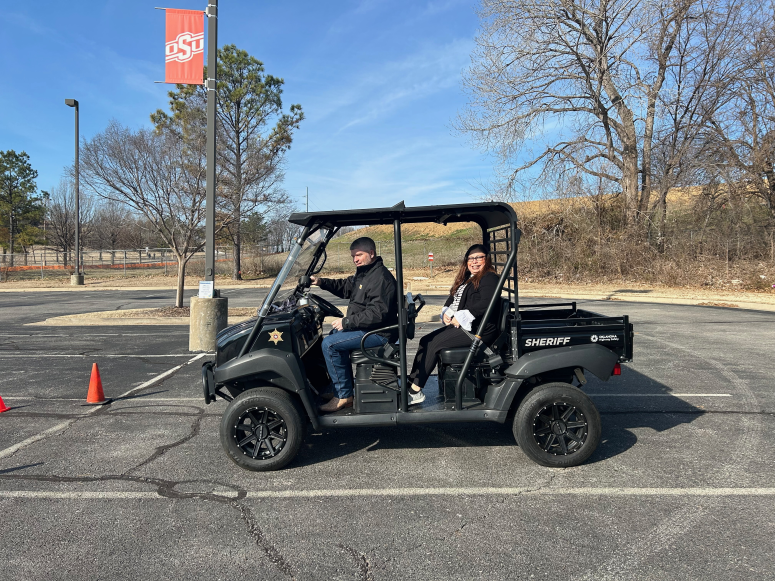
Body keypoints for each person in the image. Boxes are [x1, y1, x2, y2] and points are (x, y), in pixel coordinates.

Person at [311, 237, 398, 413]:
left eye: (359, 255)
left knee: (330, 345)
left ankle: (343, 396)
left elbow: (377, 314)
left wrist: (347, 322)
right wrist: (321, 282)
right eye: (353, 256)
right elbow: (345, 287)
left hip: (380, 333)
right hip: (370, 328)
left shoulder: (381, 278)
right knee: (333, 335)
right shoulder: (365, 273)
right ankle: (343, 389)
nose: (355, 259)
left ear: (371, 253)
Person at [405, 244, 499, 405]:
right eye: (471, 258)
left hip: (478, 330)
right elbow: (453, 297)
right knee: (425, 340)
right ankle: (411, 383)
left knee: (433, 343)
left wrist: (462, 316)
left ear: (487, 259)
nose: (474, 262)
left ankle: (415, 391)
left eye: (479, 258)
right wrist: (446, 312)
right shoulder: (468, 277)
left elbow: (486, 303)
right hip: (465, 326)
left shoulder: (489, 278)